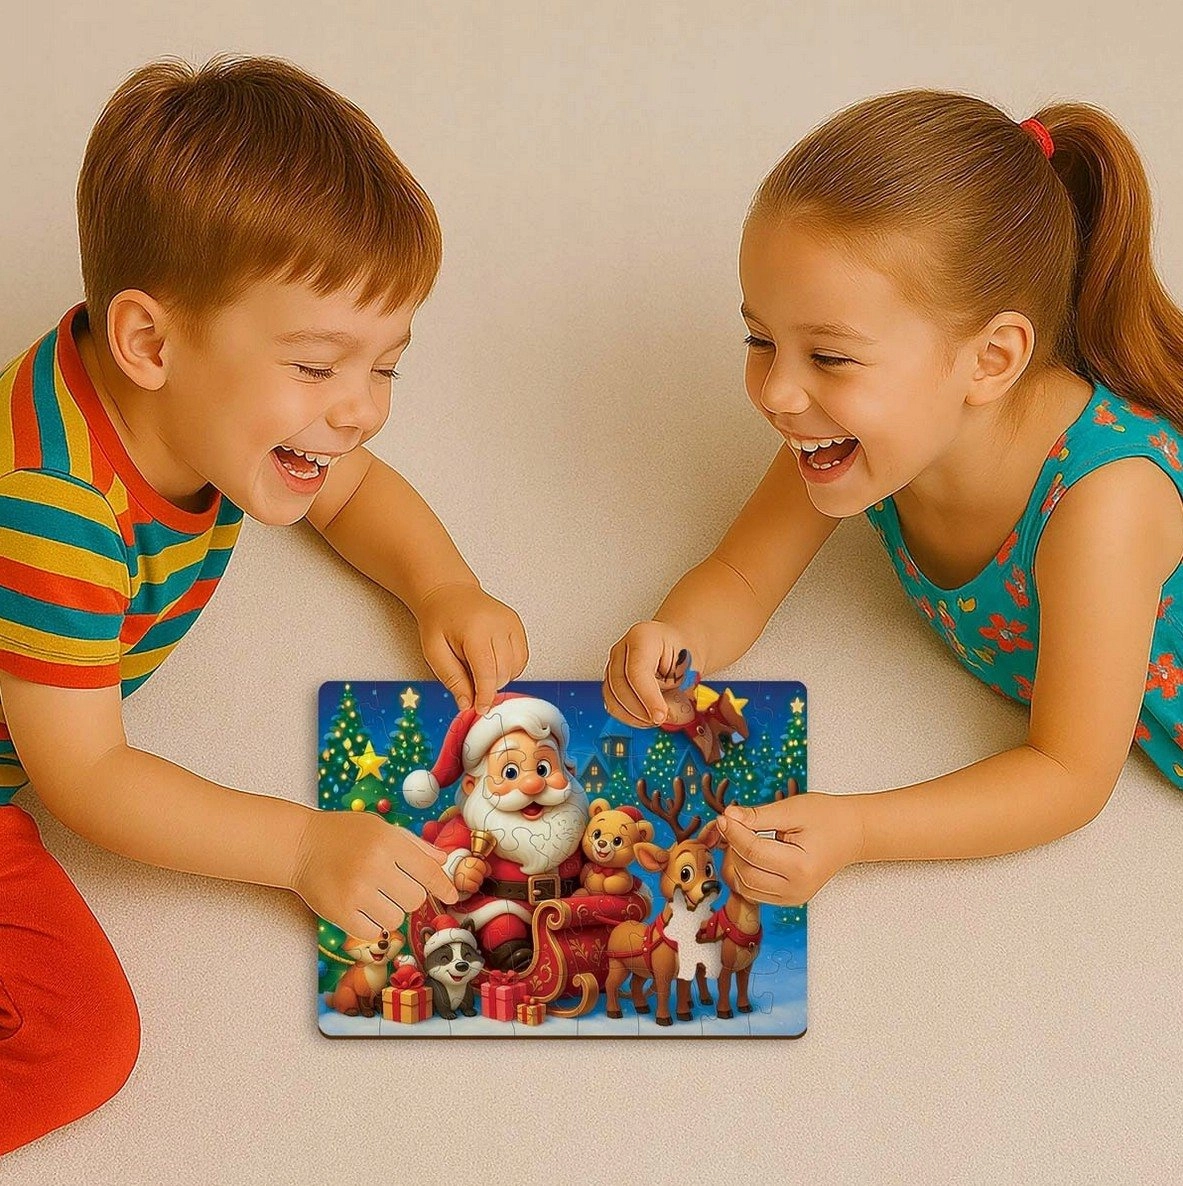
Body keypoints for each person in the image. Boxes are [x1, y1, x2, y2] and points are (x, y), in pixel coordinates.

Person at [0, 55, 529, 1153]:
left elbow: (352, 488)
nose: (362, 412)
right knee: (80, 1044)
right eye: (319, 368)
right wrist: (298, 847)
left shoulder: (214, 411)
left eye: (386, 368)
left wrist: (443, 583)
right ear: (151, 343)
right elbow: (87, 775)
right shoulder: (54, 513)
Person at [604, 89, 1183, 913]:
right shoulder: (854, 438)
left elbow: (1066, 775)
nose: (776, 392)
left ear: (990, 360)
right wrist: (674, 637)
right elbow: (740, 574)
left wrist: (856, 831)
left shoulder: (1103, 509)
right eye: (760, 338)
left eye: (829, 357)